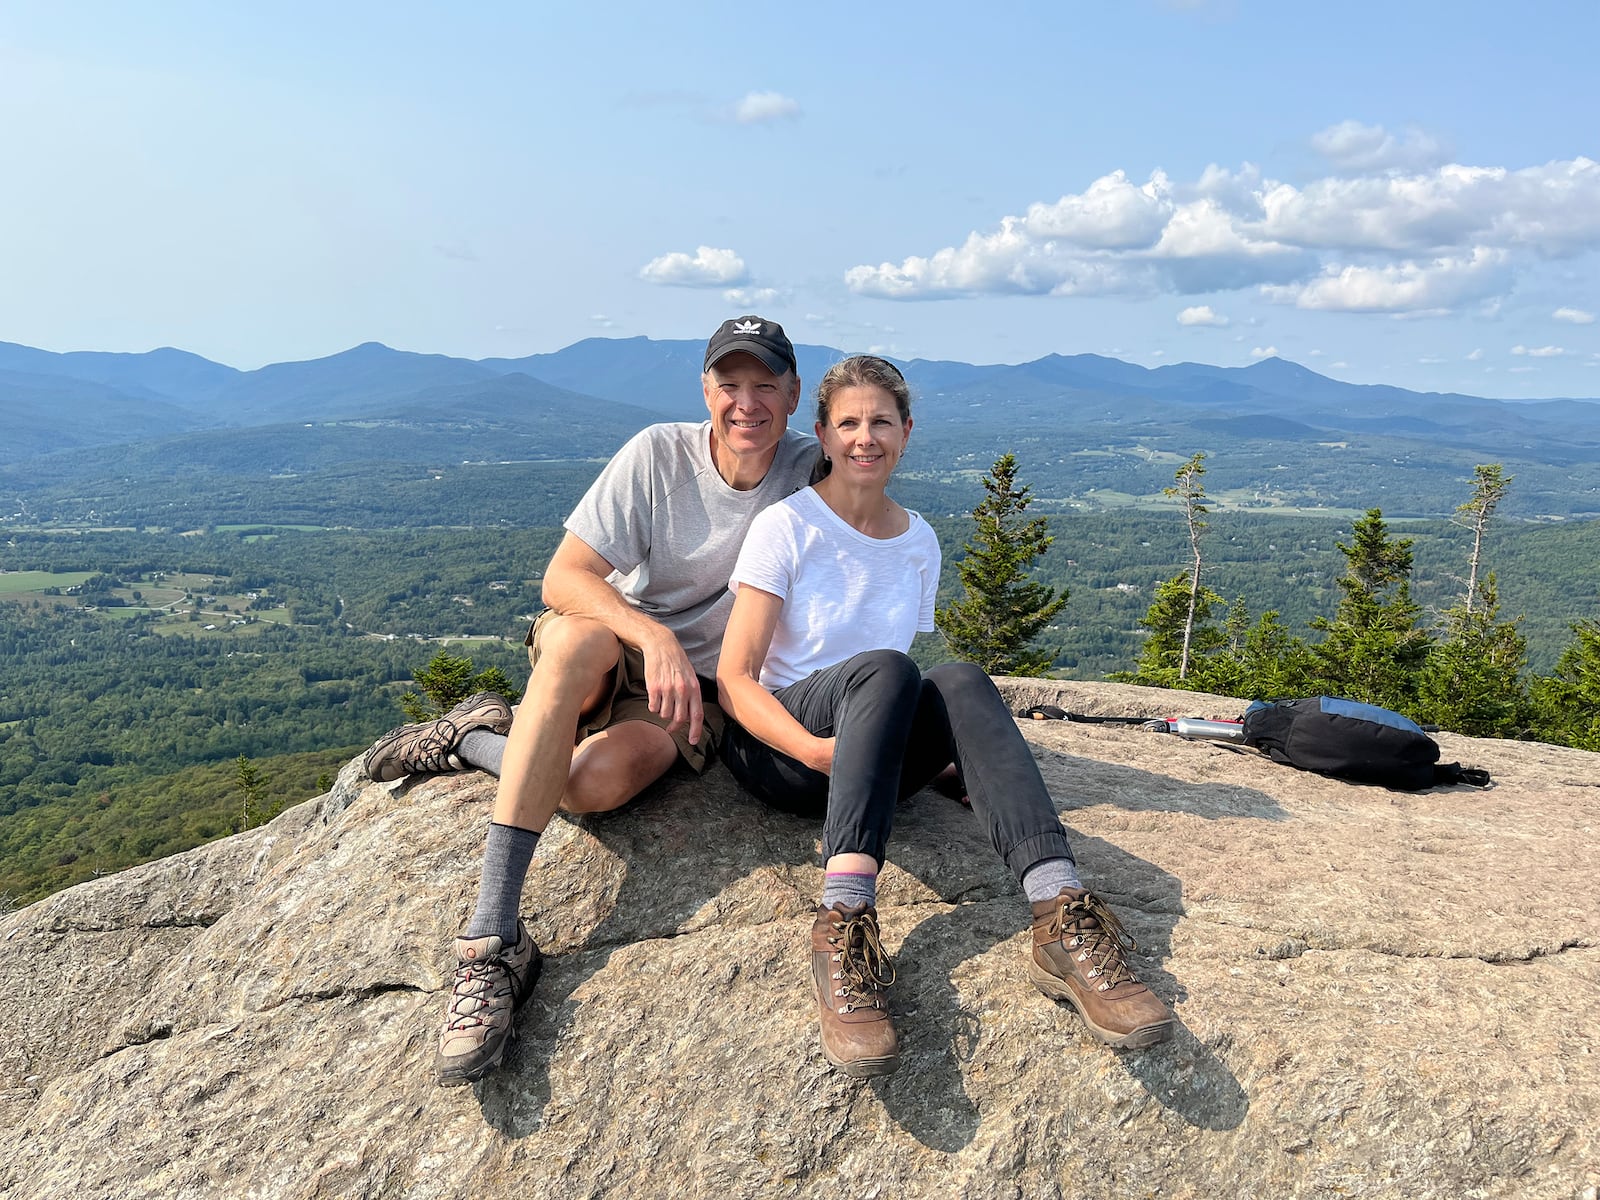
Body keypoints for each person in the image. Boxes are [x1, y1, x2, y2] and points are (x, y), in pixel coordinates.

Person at [362, 315, 817, 1086]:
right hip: (617, 649)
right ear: (705, 390)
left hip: (700, 692)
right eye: (730, 384)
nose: (748, 403)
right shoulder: (657, 454)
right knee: (575, 642)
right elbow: (564, 578)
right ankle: (492, 937)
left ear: (794, 394)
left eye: (765, 385)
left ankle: (472, 739)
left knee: (590, 787)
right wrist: (656, 638)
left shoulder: (813, 470)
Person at [715, 354, 1173, 1078]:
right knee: (891, 665)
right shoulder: (787, 527)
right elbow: (734, 681)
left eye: (881, 422)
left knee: (959, 677)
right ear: (824, 436)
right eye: (849, 423)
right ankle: (845, 921)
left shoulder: (917, 540)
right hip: (784, 755)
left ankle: (1059, 912)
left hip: (872, 757)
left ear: (906, 432)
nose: (866, 437)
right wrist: (812, 752)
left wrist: (957, 758)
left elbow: (900, 701)